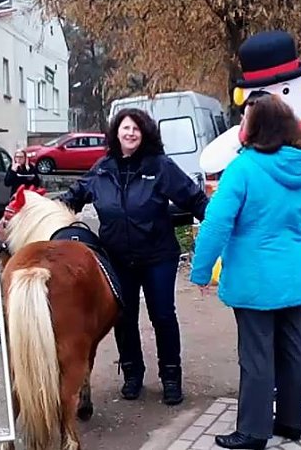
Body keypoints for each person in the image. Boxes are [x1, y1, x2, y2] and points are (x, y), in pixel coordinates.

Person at [190, 94, 301, 449]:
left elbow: (216, 224)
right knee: (293, 350)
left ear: (256, 127)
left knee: (256, 355)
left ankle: (253, 431)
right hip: (295, 276)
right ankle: (291, 421)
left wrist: (201, 270)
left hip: (253, 279)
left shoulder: (243, 168)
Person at [59, 107, 209, 405]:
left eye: (136, 129)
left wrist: (220, 225)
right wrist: (40, 210)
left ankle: (171, 377)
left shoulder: (160, 166)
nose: (130, 133)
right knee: (123, 318)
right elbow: (71, 199)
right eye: (125, 127)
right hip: (117, 258)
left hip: (158, 256)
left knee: (162, 316)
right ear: (116, 132)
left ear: (145, 133)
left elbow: (194, 199)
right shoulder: (102, 169)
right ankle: (132, 374)